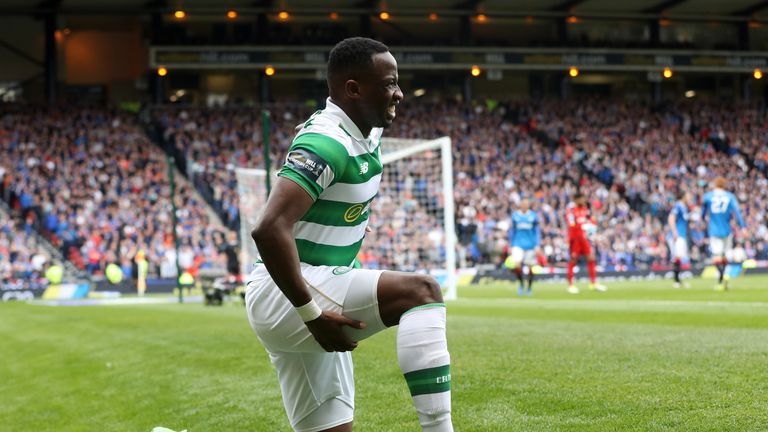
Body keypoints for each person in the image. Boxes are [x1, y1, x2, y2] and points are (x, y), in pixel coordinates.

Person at [245, 37, 453, 432]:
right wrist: (310, 315)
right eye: (389, 83)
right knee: (421, 292)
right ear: (354, 89)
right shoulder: (327, 143)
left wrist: (348, 221)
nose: (399, 92)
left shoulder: (361, 129)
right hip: (294, 297)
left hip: (308, 292)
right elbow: (268, 228)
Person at [702, 177, 747, 291]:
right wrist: (743, 227)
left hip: (714, 230)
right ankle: (723, 279)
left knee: (716, 256)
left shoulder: (708, 196)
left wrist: (704, 220)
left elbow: (703, 213)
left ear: (715, 185)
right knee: (725, 256)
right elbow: (737, 212)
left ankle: (722, 278)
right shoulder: (730, 196)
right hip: (727, 230)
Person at [565, 192, 607, 294]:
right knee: (573, 260)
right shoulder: (571, 211)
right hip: (575, 239)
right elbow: (571, 224)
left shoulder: (586, 211)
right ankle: (570, 285)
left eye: (584, 199)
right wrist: (582, 226)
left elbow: (592, 222)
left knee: (591, 258)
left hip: (584, 239)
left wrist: (591, 227)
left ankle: (593, 283)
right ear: (576, 200)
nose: (583, 201)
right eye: (581, 199)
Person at [506, 198, 540, 296]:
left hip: (530, 245)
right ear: (520, 204)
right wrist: (511, 244)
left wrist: (537, 245)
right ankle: (521, 284)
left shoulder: (533, 216)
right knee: (517, 265)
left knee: (531, 267)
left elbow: (536, 231)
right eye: (523, 203)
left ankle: (529, 287)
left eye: (526, 203)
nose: (524, 205)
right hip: (517, 244)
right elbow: (512, 231)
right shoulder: (515, 216)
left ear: (529, 204)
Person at [667, 190, 691, 288]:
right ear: (683, 196)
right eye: (688, 195)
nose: (689, 197)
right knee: (677, 257)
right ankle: (676, 281)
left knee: (679, 258)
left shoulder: (685, 207)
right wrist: (674, 232)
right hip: (677, 235)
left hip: (682, 235)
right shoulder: (678, 206)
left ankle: (678, 280)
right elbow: (671, 218)